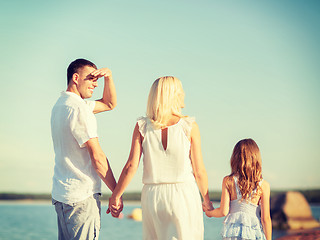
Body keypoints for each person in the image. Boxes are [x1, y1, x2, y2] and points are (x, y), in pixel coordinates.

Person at [108, 76, 212, 239]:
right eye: (181, 91)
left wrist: (116, 196)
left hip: (152, 195)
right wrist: (207, 200)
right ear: (175, 94)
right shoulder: (189, 126)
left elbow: (131, 166)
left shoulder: (142, 126)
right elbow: (199, 171)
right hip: (183, 193)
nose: (183, 94)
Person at [51, 58, 122, 240]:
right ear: (76, 78)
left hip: (63, 196)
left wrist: (109, 78)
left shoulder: (61, 105)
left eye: (97, 79)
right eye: (91, 78)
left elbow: (109, 104)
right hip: (81, 198)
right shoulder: (79, 109)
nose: (95, 84)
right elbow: (97, 158)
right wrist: (116, 193)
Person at [204, 139, 272, 240]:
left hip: (233, 234)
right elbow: (265, 219)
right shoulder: (264, 185)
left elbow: (223, 211)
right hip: (253, 233)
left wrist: (209, 213)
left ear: (235, 158)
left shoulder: (229, 181)